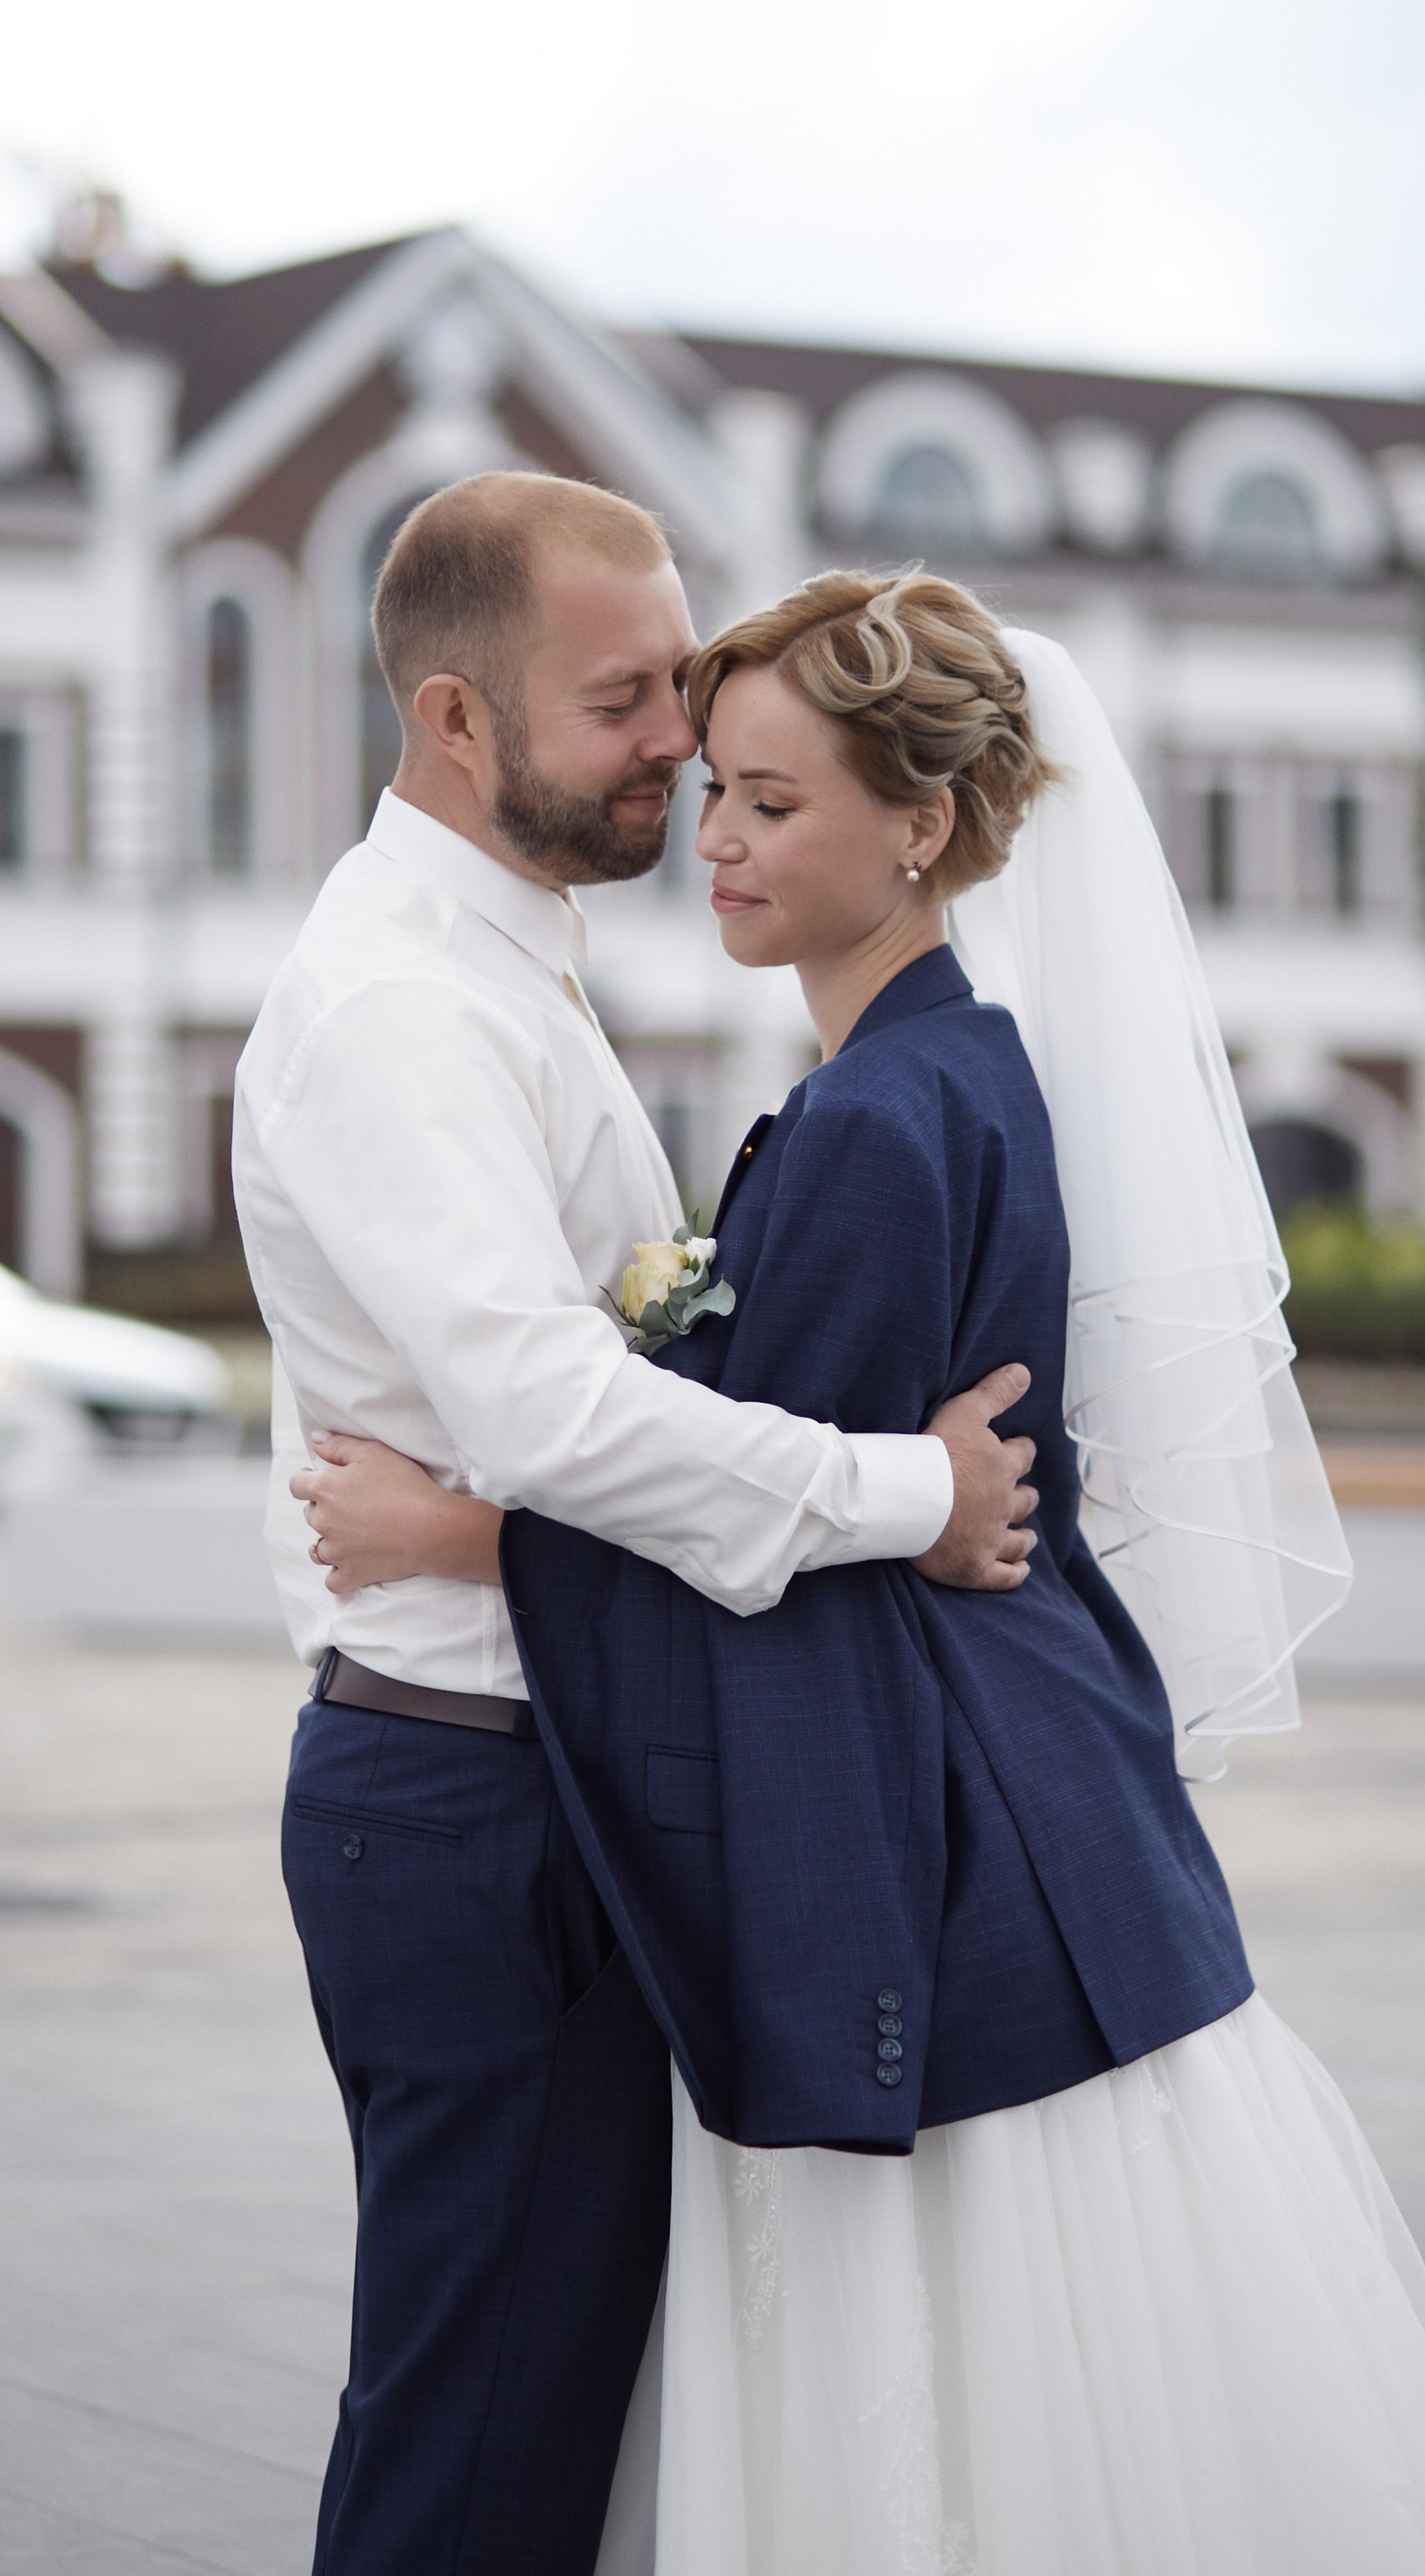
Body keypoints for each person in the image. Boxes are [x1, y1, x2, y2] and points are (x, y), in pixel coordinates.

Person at [302, 569, 1425, 2575]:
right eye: (711, 787)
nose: (712, 837)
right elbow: (806, 1495)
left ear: (922, 824)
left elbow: (774, 1567)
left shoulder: (887, 1122)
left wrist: (448, 1528)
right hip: (1014, 1786)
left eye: (771, 803)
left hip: (947, 1839)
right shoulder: (925, 1077)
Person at [230, 477, 1037, 2576]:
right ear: (455, 720)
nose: (682, 745)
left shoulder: (517, 957)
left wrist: (477, 1527)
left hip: (541, 1776)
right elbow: (545, 1402)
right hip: (477, 1814)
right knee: (478, 2449)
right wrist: (910, 1491)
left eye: (681, 684)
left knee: (532, 2418)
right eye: (626, 702)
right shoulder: (408, 1001)